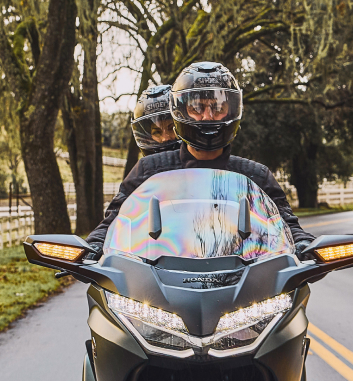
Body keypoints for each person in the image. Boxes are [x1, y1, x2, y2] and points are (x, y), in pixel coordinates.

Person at [86, 61, 313, 252]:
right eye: (197, 107)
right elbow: (114, 221)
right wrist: (92, 247)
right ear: (181, 111)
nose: (207, 116)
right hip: (159, 280)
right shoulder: (148, 170)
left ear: (233, 111)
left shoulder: (257, 176)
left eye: (217, 107)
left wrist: (304, 245)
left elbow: (287, 225)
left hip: (243, 280)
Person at [130, 85, 180, 156]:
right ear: (147, 138)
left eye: (171, 128)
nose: (165, 138)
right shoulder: (142, 166)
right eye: (157, 132)